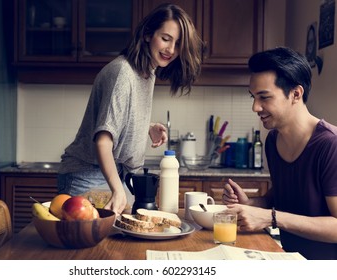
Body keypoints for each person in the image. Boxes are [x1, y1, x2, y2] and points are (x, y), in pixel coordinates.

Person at [57, 4, 202, 215]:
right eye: (166, 38)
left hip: (112, 173)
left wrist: (146, 127)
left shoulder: (146, 72)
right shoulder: (122, 73)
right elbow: (104, 140)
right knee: (94, 247)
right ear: (147, 34)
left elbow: (118, 120)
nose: (171, 50)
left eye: (178, 44)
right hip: (88, 175)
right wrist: (117, 190)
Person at [222, 47, 337, 260]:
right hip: (288, 260)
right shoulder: (273, 140)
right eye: (253, 97)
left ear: (296, 94)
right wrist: (251, 204)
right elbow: (285, 196)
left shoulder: (331, 145)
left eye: (264, 97)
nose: (255, 107)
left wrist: (270, 218)